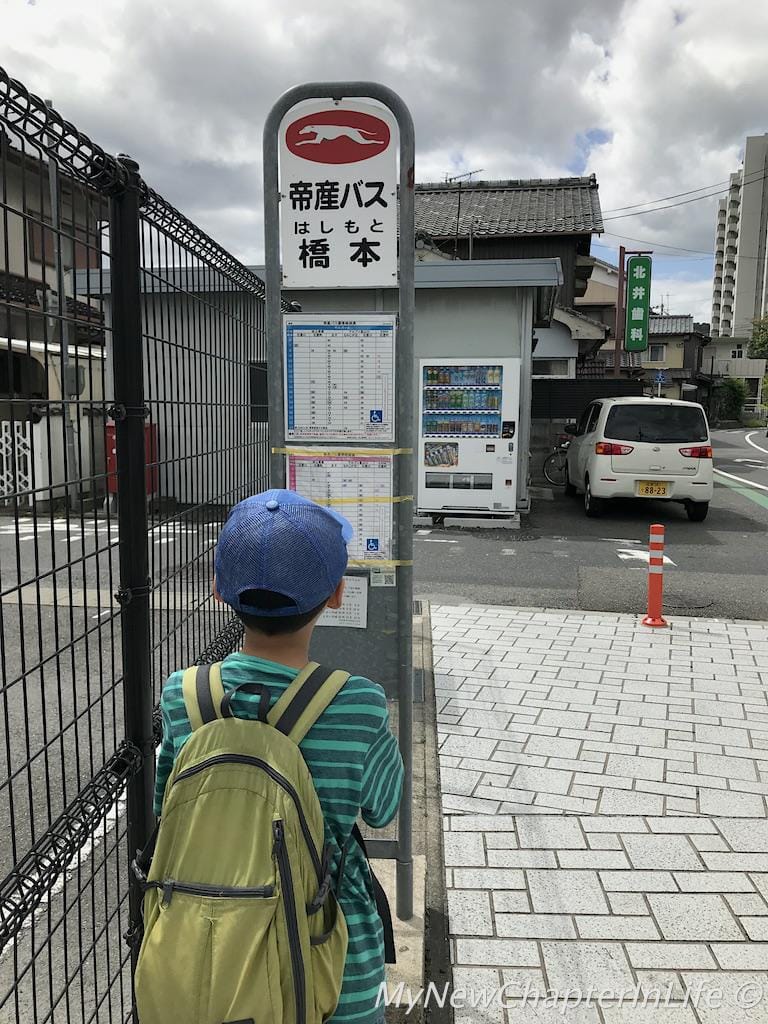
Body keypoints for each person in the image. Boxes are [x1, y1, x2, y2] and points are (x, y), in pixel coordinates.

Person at [153, 489, 404, 1024]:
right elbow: (383, 809)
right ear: (337, 594)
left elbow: (163, 807)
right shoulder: (357, 703)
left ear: (219, 590)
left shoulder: (184, 695)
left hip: (210, 951)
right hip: (334, 958)